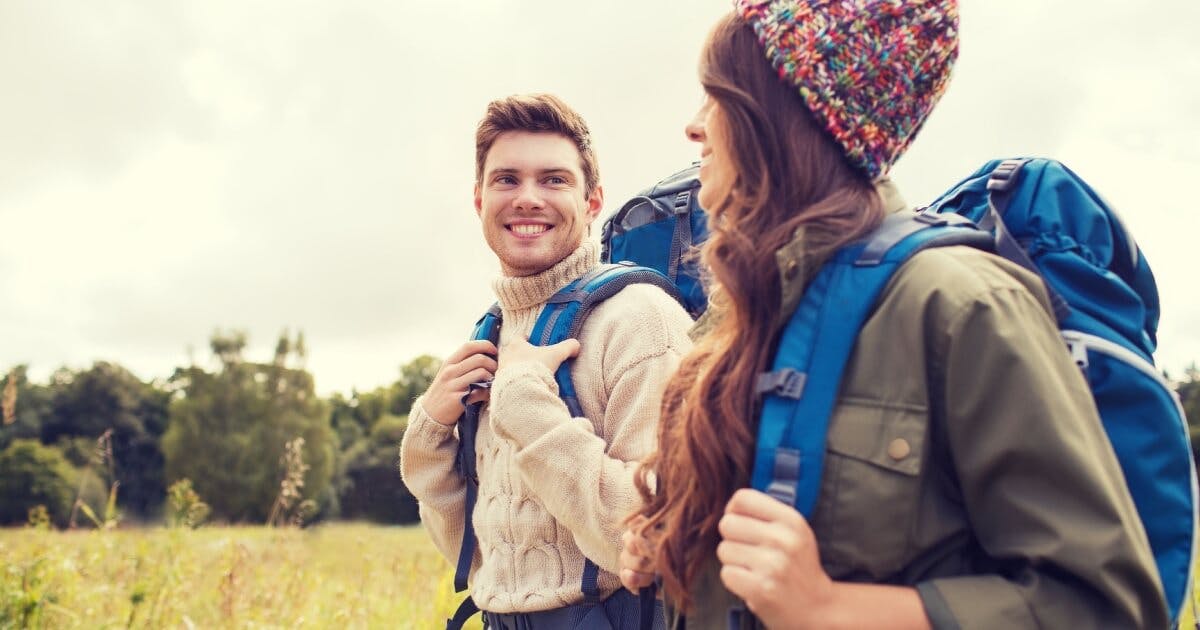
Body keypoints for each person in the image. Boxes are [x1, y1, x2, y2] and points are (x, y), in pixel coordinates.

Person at [618, 1, 1169, 628]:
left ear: (785, 120)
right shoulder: (734, 321)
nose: (695, 128)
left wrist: (829, 607)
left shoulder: (963, 304)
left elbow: (1107, 607)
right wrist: (675, 542)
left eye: (718, 97)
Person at [400, 93, 693, 627]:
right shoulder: (491, 334)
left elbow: (653, 533)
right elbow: (484, 556)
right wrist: (429, 434)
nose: (528, 198)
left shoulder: (642, 321)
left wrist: (527, 409)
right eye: (506, 179)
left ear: (594, 200)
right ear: (478, 199)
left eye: (554, 180)